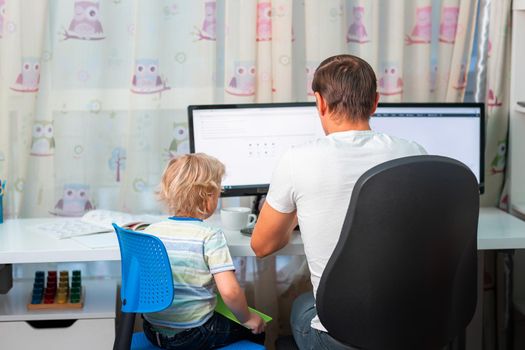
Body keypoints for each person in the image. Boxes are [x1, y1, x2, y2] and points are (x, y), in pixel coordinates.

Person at [251, 54, 426, 349]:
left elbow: (262, 246)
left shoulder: (298, 160)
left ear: (319, 102)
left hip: (340, 338)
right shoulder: (415, 152)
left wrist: (298, 210)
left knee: (302, 305)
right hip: (408, 329)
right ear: (375, 102)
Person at [142, 153, 266, 349]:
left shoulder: (150, 233)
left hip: (152, 331)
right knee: (257, 328)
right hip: (193, 334)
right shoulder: (210, 236)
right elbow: (231, 292)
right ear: (208, 197)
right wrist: (248, 318)